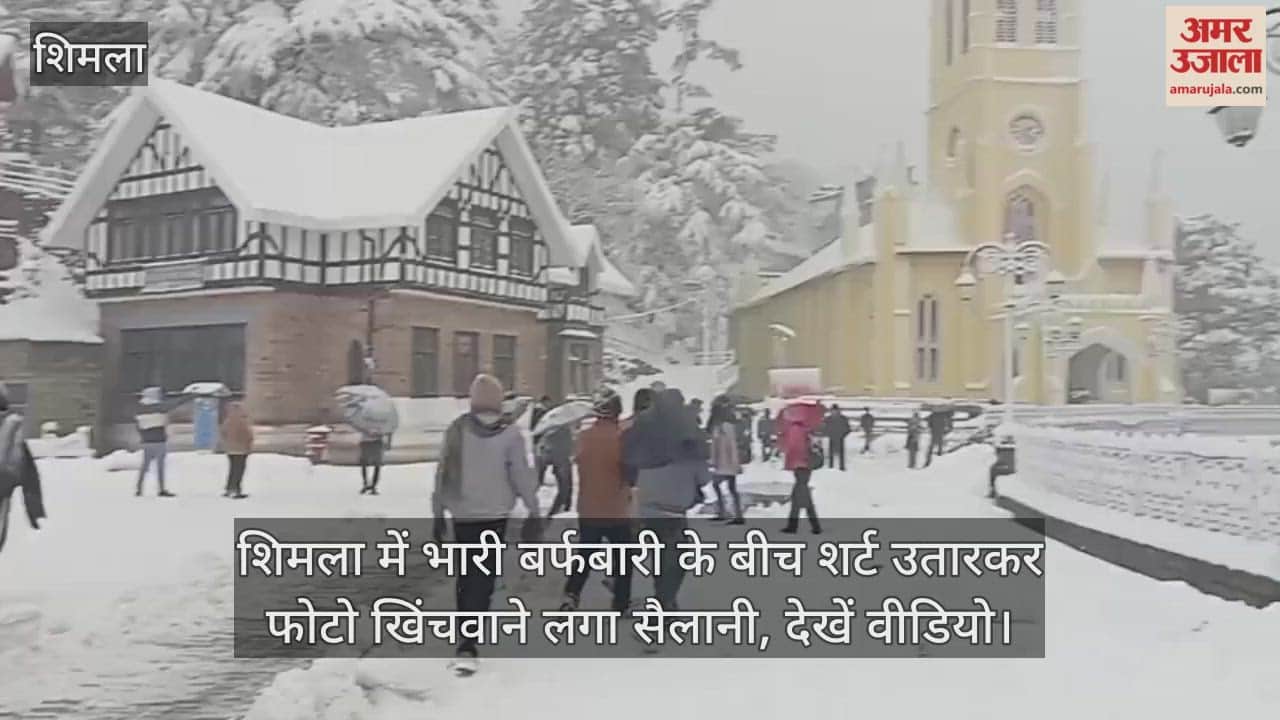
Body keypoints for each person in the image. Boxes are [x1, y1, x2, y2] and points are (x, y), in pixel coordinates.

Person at [432, 374, 543, 675]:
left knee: (466, 576)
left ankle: (464, 636)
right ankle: (469, 641)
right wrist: (534, 509)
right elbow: (520, 475)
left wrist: (437, 513)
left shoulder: (457, 430)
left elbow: (443, 473)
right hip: (494, 516)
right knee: (484, 577)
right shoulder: (510, 434)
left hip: (462, 514)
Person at [623, 388, 709, 616]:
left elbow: (628, 463)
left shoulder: (643, 430)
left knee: (661, 560)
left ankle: (667, 606)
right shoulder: (688, 437)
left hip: (647, 509)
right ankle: (660, 610)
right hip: (674, 512)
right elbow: (703, 476)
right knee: (676, 562)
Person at [560, 388, 633, 612]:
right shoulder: (623, 438)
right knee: (623, 556)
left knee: (585, 554)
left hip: (589, 507)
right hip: (616, 508)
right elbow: (628, 472)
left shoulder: (584, 436)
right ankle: (620, 602)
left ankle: (571, 594)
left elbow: (579, 461)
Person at [0, 383, 44, 555]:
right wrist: (34, 509)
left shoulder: (11, 432)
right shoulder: (13, 432)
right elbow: (30, 475)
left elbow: (29, 474)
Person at [777, 398, 823, 534]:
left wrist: (782, 443)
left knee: (799, 496)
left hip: (801, 465)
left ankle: (797, 526)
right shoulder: (806, 428)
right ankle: (811, 525)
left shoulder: (795, 430)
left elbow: (794, 449)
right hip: (805, 465)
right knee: (801, 496)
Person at [135, 386, 189, 497]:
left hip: (146, 442)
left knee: (145, 466)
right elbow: (176, 403)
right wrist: (190, 396)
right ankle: (161, 489)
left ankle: (139, 488)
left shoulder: (139, 409)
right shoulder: (160, 407)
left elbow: (138, 427)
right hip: (159, 440)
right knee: (160, 466)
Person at [707, 396, 745, 524]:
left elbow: (726, 445)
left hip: (725, 462)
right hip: (726, 462)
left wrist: (715, 460)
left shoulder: (723, 426)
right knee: (730, 487)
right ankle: (734, 514)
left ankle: (726, 512)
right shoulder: (726, 424)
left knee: (721, 485)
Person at [219, 401, 254, 499]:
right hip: (241, 450)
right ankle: (236, 489)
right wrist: (248, 445)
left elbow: (223, 433)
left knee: (232, 469)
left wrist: (226, 444)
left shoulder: (227, 421)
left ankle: (229, 488)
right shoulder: (243, 422)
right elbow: (247, 435)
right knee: (239, 470)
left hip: (230, 450)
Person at [542, 423, 575, 515]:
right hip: (563, 463)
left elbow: (547, 449)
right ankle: (556, 511)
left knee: (565, 488)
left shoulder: (550, 432)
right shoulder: (564, 432)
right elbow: (570, 447)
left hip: (559, 463)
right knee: (566, 489)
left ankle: (563, 509)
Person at [358, 429, 388, 495]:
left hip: (372, 441)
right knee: (367, 463)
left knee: (375, 463)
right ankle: (369, 485)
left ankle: (370, 485)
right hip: (368, 441)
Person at [824, 404, 850, 471]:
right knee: (831, 452)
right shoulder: (828, 419)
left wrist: (843, 435)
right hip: (832, 437)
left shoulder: (843, 418)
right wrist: (828, 434)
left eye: (835, 410)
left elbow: (848, 428)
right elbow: (824, 427)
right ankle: (831, 466)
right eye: (833, 410)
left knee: (841, 453)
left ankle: (842, 466)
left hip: (840, 437)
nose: (834, 412)